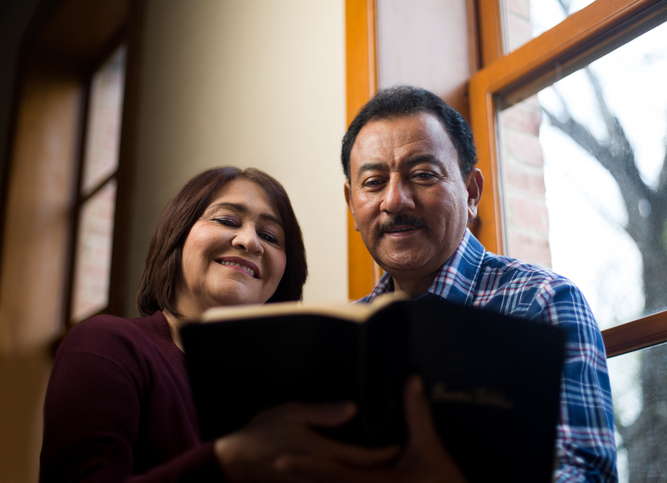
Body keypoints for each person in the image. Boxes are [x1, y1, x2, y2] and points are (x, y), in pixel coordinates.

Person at [39, 166, 399, 482]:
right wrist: (230, 461)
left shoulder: (294, 395)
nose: (249, 241)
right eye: (227, 220)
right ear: (177, 237)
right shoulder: (108, 345)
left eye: (271, 237)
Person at [339, 85, 618, 482]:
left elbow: (588, 475)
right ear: (352, 203)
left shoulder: (541, 303)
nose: (395, 200)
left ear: (471, 193)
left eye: (422, 175)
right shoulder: (348, 331)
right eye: (372, 183)